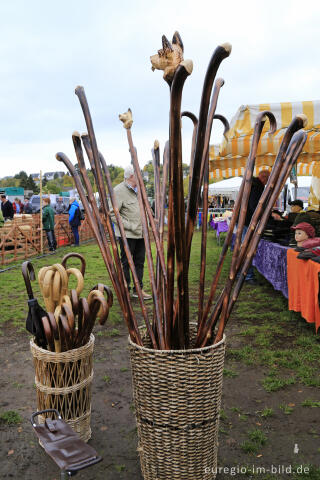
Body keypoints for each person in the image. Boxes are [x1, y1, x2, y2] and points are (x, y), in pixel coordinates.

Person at [110, 165, 152, 300]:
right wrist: (131, 226)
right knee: (126, 263)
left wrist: (151, 220)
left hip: (141, 233)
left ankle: (138, 289)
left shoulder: (139, 190)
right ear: (132, 176)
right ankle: (126, 290)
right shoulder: (118, 191)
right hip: (127, 234)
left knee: (139, 261)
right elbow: (113, 214)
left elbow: (143, 208)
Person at [242, 169, 270, 285]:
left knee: (244, 247)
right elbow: (254, 205)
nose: (267, 182)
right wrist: (263, 216)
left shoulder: (251, 184)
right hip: (248, 221)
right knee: (247, 248)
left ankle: (242, 273)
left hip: (244, 219)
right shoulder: (257, 186)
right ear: (264, 178)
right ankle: (248, 275)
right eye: (267, 180)